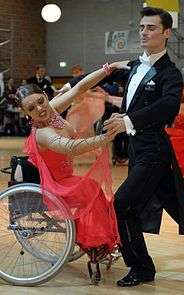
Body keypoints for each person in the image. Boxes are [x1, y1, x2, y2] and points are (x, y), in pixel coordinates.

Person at [103, 7, 184, 287]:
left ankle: (141, 267)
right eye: (142, 27)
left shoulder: (170, 73)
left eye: (151, 28)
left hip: (154, 152)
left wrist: (128, 119)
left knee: (122, 204)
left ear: (166, 33)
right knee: (183, 211)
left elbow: (167, 106)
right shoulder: (134, 66)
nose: (144, 31)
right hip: (139, 151)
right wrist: (74, 86)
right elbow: (108, 77)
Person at [9, 61, 129, 262]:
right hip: (53, 186)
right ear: (27, 114)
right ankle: (94, 243)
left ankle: (97, 242)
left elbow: (80, 87)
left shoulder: (52, 109)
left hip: (65, 177)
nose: (40, 108)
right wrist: (105, 138)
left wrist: (108, 69)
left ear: (46, 97)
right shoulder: (43, 133)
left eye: (40, 101)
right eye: (32, 108)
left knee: (94, 191)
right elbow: (70, 147)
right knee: (92, 192)